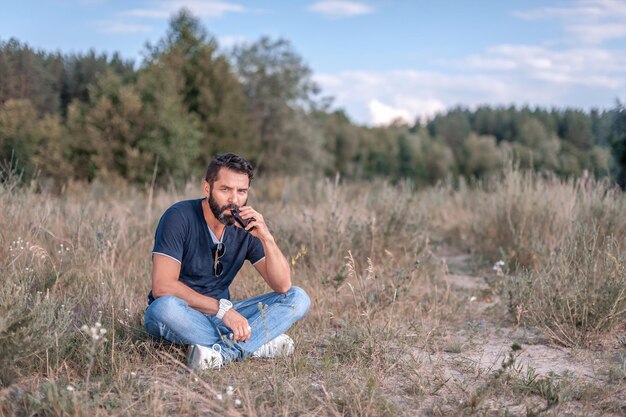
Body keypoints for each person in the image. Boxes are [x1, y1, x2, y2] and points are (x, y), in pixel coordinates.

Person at [143, 153, 311, 369]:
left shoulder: (246, 226)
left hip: (224, 315)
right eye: (225, 189)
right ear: (207, 188)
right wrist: (223, 311)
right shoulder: (179, 217)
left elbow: (282, 286)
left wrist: (266, 237)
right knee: (162, 308)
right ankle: (256, 344)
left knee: (298, 297)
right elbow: (162, 286)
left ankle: (223, 353)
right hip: (184, 313)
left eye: (241, 191)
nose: (234, 200)